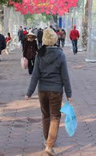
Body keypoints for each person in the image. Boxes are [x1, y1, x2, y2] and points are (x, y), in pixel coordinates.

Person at [25, 28, 72, 156]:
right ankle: (49, 145)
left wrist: (29, 92)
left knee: (45, 116)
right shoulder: (60, 54)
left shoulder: (40, 54)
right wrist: (69, 94)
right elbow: (65, 76)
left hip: (42, 90)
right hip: (56, 91)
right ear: (55, 39)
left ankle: (48, 141)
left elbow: (35, 75)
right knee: (55, 117)